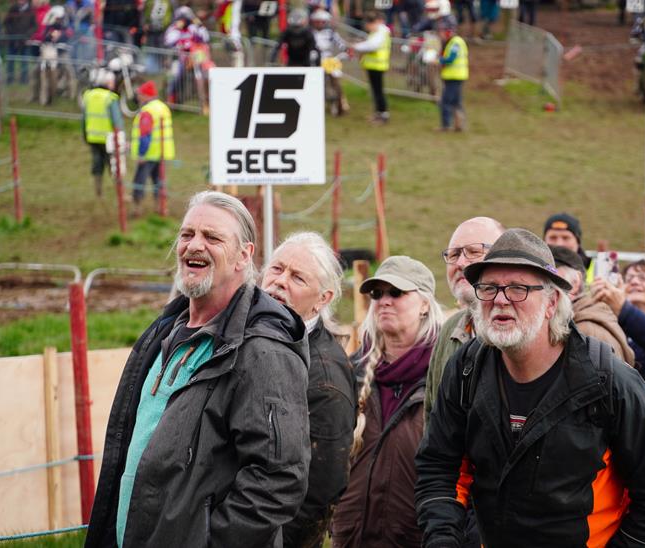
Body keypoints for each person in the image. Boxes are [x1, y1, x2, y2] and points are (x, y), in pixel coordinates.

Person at [416, 228, 645, 547]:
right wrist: (444, 540)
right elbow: (438, 468)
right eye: (488, 288)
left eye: (517, 289)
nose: (500, 300)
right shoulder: (465, 370)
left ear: (552, 302)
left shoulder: (609, 381)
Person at [85, 191, 311, 547]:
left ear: (244, 256)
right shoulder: (165, 330)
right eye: (187, 234)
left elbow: (278, 480)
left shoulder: (263, 350)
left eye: (213, 237)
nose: (194, 246)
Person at [331, 255, 444, 547]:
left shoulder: (446, 378)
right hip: (351, 537)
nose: (384, 300)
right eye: (377, 294)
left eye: (396, 292)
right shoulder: (350, 373)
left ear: (424, 305)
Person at [260, 232, 357, 548]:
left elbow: (321, 490)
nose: (280, 282)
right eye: (277, 269)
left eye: (298, 278)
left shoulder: (325, 378)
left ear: (323, 299)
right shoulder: (250, 338)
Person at [424, 216, 505, 422]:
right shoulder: (450, 329)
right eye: (454, 254)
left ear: (504, 257)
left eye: (473, 252)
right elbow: (432, 414)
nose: (460, 263)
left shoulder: (519, 326)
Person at [551, 245, 635, 365]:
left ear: (576, 282)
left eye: (552, 278)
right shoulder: (575, 322)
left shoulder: (586, 332)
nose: (544, 288)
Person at [591, 259, 645, 381]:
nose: (634, 282)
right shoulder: (610, 321)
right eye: (628, 278)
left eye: (644, 277)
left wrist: (623, 309)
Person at [130, 80, 174, 217]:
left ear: (145, 95)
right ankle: (161, 207)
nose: (138, 97)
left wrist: (142, 154)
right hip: (162, 152)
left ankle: (137, 209)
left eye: (140, 94)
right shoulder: (162, 107)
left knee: (139, 182)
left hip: (149, 154)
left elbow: (145, 135)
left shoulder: (147, 111)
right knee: (159, 182)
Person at [81, 70, 124, 197]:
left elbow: (84, 118)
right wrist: (121, 137)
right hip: (109, 139)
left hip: (93, 137)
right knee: (114, 166)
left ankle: (98, 192)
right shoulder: (110, 97)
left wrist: (84, 135)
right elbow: (117, 121)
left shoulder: (88, 95)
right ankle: (120, 193)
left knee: (97, 165)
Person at [163, 6, 210, 104]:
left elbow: (205, 38)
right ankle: (171, 98)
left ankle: (205, 100)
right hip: (177, 59)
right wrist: (178, 30)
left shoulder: (192, 28)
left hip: (194, 58)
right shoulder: (173, 29)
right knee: (175, 74)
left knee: (204, 73)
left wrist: (200, 25)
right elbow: (168, 42)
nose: (183, 21)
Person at [353, 11, 391, 125]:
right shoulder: (377, 32)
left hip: (377, 66)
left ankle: (383, 114)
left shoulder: (381, 32)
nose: (367, 27)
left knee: (378, 91)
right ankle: (378, 113)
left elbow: (372, 46)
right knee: (375, 91)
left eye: (368, 24)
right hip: (373, 66)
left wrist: (356, 47)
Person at [437, 16, 468, 132]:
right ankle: (460, 125)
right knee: (456, 101)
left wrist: (438, 60)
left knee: (446, 101)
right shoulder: (450, 42)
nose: (440, 33)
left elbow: (450, 59)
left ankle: (446, 125)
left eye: (442, 31)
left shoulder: (456, 43)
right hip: (453, 76)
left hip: (455, 76)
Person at [543, 212, 593, 283]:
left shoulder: (599, 270)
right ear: (543, 241)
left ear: (578, 242)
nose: (559, 244)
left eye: (566, 238)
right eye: (553, 237)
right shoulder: (533, 268)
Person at [3, 0, 37, 85]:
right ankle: (9, 80)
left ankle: (24, 80)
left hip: (24, 41)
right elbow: (6, 23)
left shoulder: (31, 10)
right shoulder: (12, 9)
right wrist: (11, 34)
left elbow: (34, 26)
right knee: (10, 61)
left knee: (24, 61)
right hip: (12, 40)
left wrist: (27, 35)